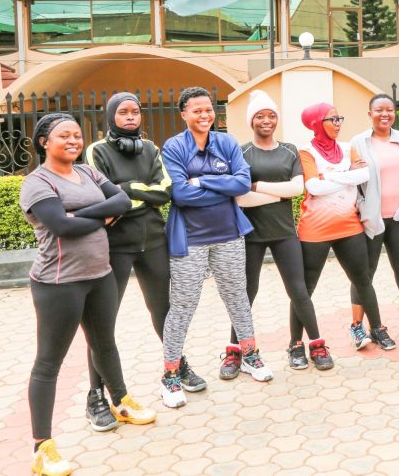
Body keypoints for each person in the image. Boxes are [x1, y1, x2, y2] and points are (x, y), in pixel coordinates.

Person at [21, 113, 156, 476]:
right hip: (59, 282)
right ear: (44, 142)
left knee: (105, 343)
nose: (73, 141)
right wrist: (99, 217)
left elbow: (122, 202)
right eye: (63, 136)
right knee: (49, 362)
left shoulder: (88, 173)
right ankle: (42, 448)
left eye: (77, 135)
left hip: (100, 274)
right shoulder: (37, 183)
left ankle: (120, 401)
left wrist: (80, 213)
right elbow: (60, 226)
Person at [83, 93, 205, 429]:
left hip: (153, 241)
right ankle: (96, 395)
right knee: (101, 323)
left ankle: (176, 366)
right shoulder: (97, 151)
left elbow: (164, 192)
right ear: (111, 116)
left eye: (135, 111)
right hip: (115, 246)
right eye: (123, 112)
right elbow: (105, 195)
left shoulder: (151, 149)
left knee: (164, 310)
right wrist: (138, 194)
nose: (130, 117)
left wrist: (126, 190)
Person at [160, 87, 271, 410]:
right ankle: (170, 375)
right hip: (189, 239)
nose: (204, 115)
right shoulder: (174, 147)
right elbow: (180, 195)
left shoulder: (226, 142)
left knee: (237, 296)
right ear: (184, 114)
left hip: (229, 234)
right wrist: (221, 186)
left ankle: (249, 355)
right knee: (183, 305)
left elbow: (242, 183)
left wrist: (202, 181)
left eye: (208, 109)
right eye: (197, 110)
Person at [235, 91, 335, 369]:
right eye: (260, 116)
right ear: (251, 120)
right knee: (246, 293)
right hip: (252, 235)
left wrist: (258, 186)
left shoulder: (289, 150)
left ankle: (316, 345)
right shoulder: (241, 152)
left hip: (285, 234)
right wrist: (281, 194)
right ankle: (235, 351)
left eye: (271, 115)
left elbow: (298, 188)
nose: (266, 120)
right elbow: (240, 197)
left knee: (299, 291)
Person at [297, 102, 396, 351]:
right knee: (305, 289)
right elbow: (313, 187)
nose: (338, 123)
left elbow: (364, 175)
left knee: (363, 280)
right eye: (332, 119)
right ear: (316, 123)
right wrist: (346, 176)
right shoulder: (306, 152)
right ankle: (296, 344)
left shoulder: (347, 147)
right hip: (315, 231)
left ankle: (377, 329)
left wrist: (328, 176)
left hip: (350, 227)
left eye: (339, 118)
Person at [350, 94, 399, 345]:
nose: (385, 114)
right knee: (364, 273)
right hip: (371, 219)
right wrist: (363, 208)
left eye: (389, 110)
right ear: (370, 114)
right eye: (379, 110)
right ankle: (357, 326)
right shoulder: (359, 142)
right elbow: (353, 182)